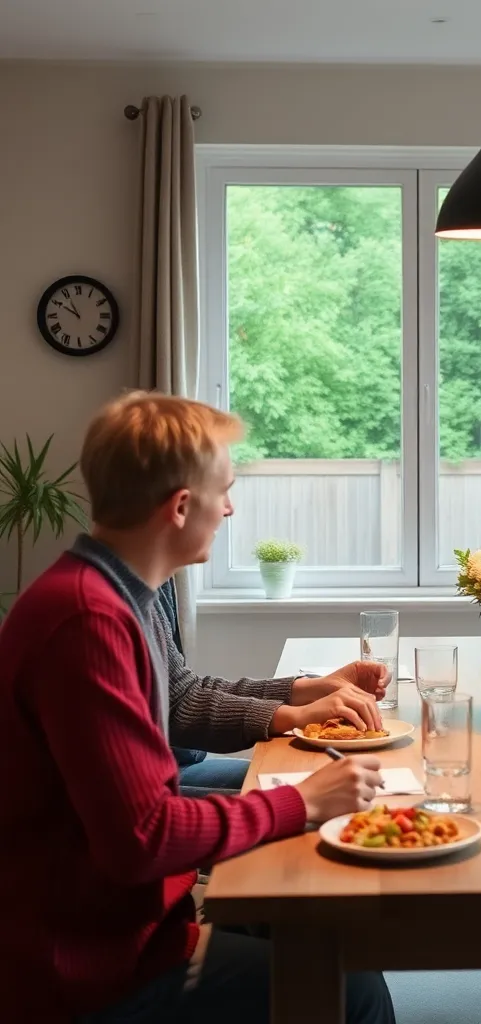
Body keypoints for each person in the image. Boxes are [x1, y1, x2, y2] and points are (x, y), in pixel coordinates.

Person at [0, 391, 395, 1023]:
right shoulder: (87, 621)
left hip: (114, 930)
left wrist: (303, 690)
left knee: (310, 923)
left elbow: (178, 696)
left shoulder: (115, 588)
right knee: (352, 988)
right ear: (181, 507)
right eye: (225, 491)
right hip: (87, 971)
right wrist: (304, 801)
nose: (230, 508)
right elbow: (143, 837)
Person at [157, 578, 390, 797]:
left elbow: (183, 690)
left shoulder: (148, 585)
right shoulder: (129, 595)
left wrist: (313, 688)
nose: (216, 531)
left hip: (178, 763)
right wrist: (298, 716)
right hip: (159, 784)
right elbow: (178, 706)